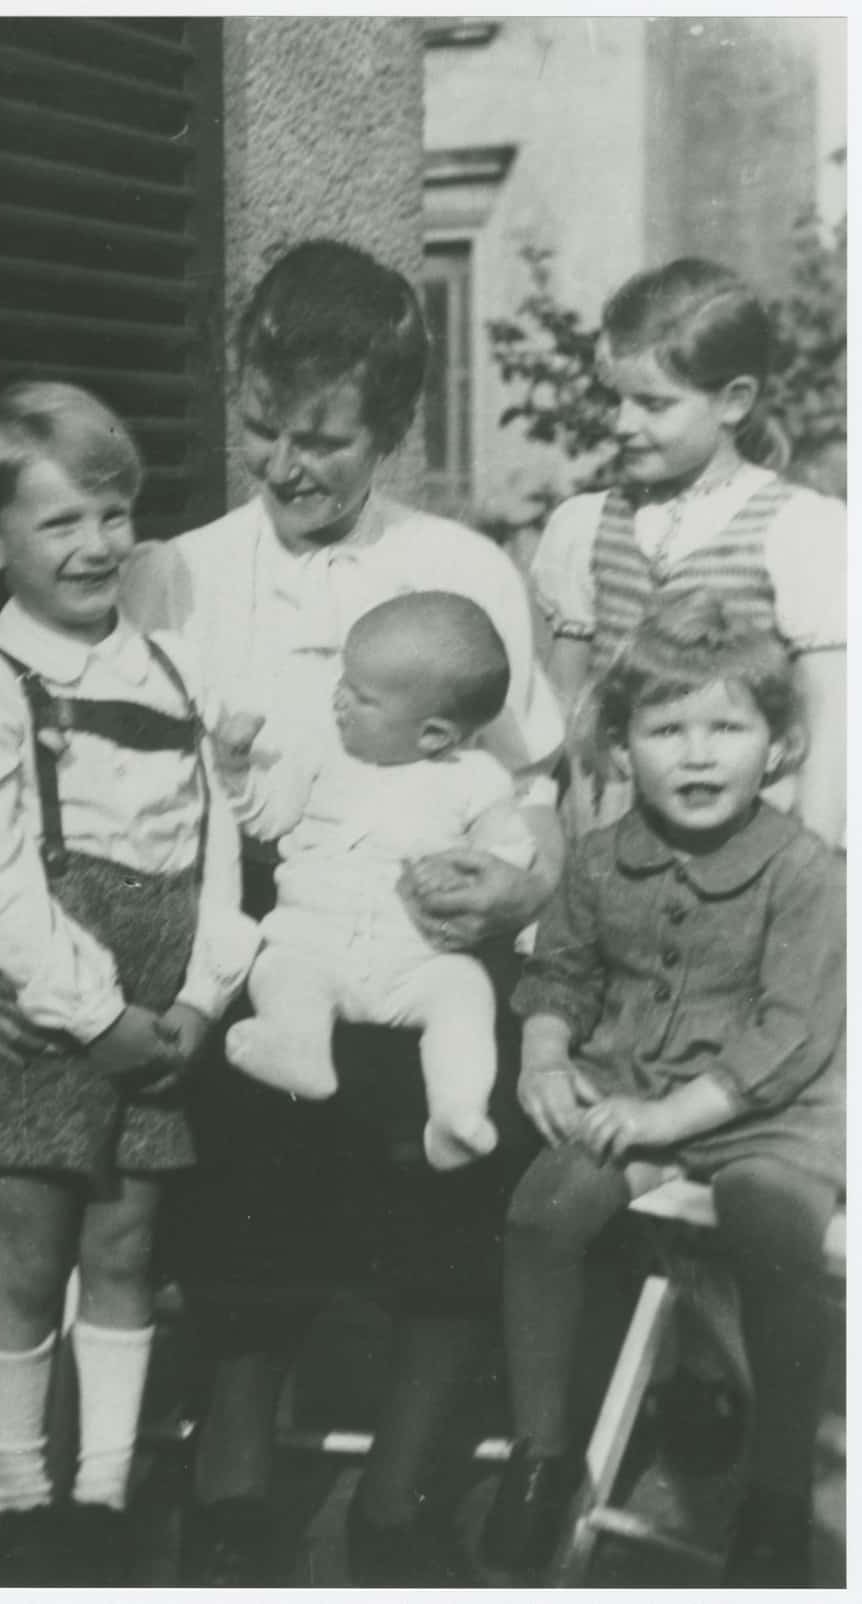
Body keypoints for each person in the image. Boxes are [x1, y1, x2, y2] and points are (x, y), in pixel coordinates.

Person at [115, 238, 566, 1585]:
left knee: (446, 1192)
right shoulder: (175, 574)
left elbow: (532, 781)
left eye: (322, 439)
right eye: (261, 430)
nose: (283, 468)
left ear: (389, 428)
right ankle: (238, 1474)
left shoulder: (462, 568)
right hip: (264, 934)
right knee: (253, 1197)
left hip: (429, 932)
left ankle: (398, 1489)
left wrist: (521, 876)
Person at [0, 382, 258, 1586]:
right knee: (28, 1250)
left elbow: (221, 856)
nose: (96, 544)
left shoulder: (172, 672)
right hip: (56, 1004)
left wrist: (199, 1001)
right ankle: (20, 1486)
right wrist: (97, 1015)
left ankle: (104, 1481)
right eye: (59, 522)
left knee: (125, 1246)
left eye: (113, 515)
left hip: (162, 1010)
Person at [478, 595, 845, 1588]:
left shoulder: (804, 870)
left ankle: (772, 1490)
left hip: (764, 1105)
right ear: (616, 743)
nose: (694, 754)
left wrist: (668, 1117)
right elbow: (560, 971)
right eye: (664, 728)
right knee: (543, 1206)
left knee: (771, 1229)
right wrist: (544, 1055)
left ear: (776, 744)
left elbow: (792, 1029)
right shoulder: (600, 860)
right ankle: (541, 1454)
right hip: (629, 1075)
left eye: (725, 726)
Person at [531, 257, 846, 847]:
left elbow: (830, 717)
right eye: (616, 400)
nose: (622, 423)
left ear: (733, 401)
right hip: (612, 828)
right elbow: (565, 705)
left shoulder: (797, 530)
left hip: (744, 831)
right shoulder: (588, 524)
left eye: (652, 404)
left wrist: (819, 852)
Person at [217, 591, 535, 1171]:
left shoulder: (477, 779)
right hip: (316, 942)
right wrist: (236, 772)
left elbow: (509, 856)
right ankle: (300, 1051)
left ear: (434, 735)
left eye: (362, 698)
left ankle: (456, 1112)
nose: (339, 699)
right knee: (278, 967)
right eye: (345, 682)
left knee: (465, 993)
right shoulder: (320, 753)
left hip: (416, 958)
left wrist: (478, 880)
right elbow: (267, 816)